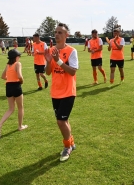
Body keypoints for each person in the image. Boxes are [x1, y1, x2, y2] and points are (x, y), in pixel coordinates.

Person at [44, 23, 78, 162]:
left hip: (68, 91)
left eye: (60, 32)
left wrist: (58, 61)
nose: (57, 34)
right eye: (56, 32)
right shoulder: (51, 50)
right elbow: (48, 72)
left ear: (66, 35)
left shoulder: (72, 51)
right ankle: (71, 142)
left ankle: (67, 147)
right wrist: (48, 62)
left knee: (60, 121)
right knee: (64, 120)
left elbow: (72, 71)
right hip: (55, 92)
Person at [0, 49, 28, 139]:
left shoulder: (8, 65)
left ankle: (0, 124)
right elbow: (19, 76)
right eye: (19, 56)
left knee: (11, 109)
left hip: (8, 86)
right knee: (20, 107)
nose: (20, 58)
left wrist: (9, 79)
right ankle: (20, 126)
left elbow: (3, 76)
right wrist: (21, 81)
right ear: (16, 57)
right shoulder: (18, 64)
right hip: (16, 86)